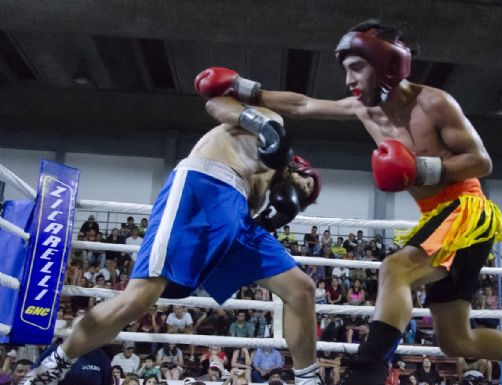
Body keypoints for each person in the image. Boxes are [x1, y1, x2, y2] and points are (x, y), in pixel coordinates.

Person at [214, 18, 502, 385]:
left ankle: (366, 375)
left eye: (357, 68)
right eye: (347, 71)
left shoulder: (435, 102)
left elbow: (481, 162)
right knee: (456, 340)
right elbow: (304, 105)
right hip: (437, 217)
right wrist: (243, 88)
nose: (349, 81)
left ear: (387, 63)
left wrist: (419, 168)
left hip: (467, 210)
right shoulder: (363, 109)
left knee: (395, 269)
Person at [22, 78, 322, 385]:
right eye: (307, 184)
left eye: (306, 197)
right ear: (299, 166)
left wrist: (267, 222)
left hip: (237, 218)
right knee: (137, 301)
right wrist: (259, 123)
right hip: (205, 186)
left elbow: (247, 220)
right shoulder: (272, 133)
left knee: (301, 288)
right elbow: (215, 103)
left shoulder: (260, 199)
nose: (304, 191)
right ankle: (56, 364)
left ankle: (308, 379)